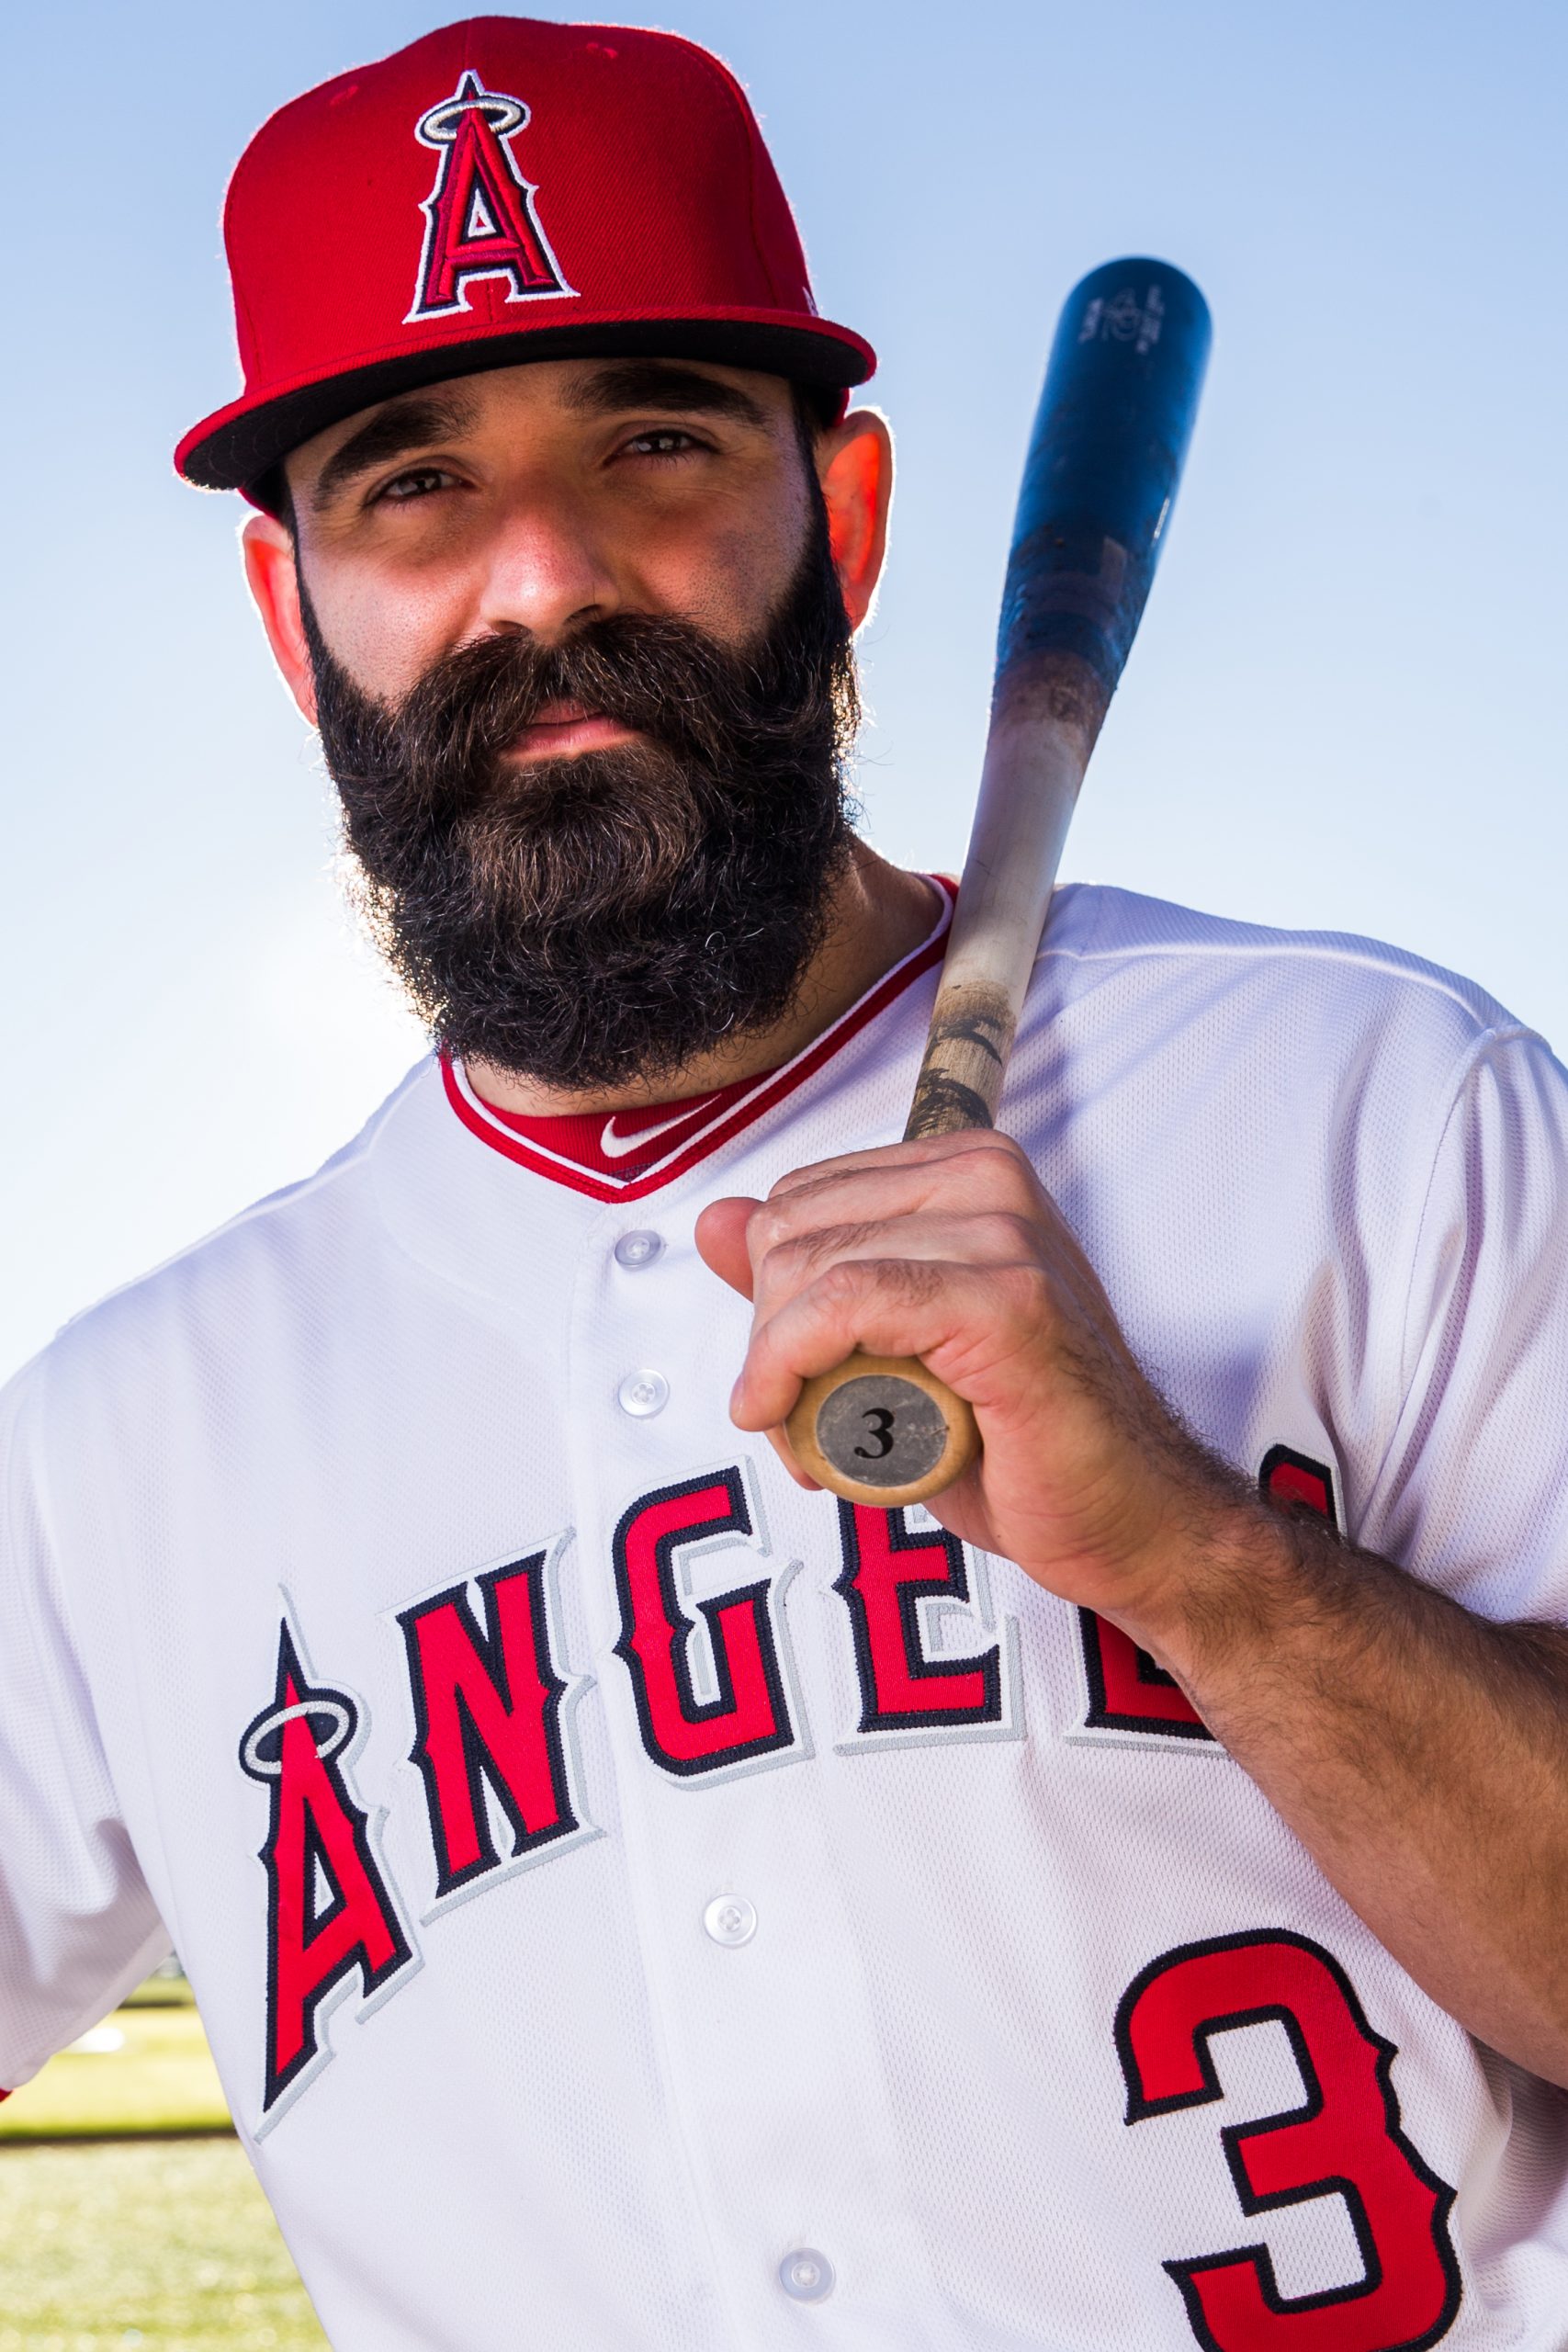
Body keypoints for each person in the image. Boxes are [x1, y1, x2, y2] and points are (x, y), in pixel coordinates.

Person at [4, 15, 1566, 2346]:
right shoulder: (126, 1437)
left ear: (836, 515)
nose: (541, 576)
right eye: (409, 482)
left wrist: (1189, 1553)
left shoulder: (1359, 1103)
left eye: (651, 439)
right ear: (287, 613)